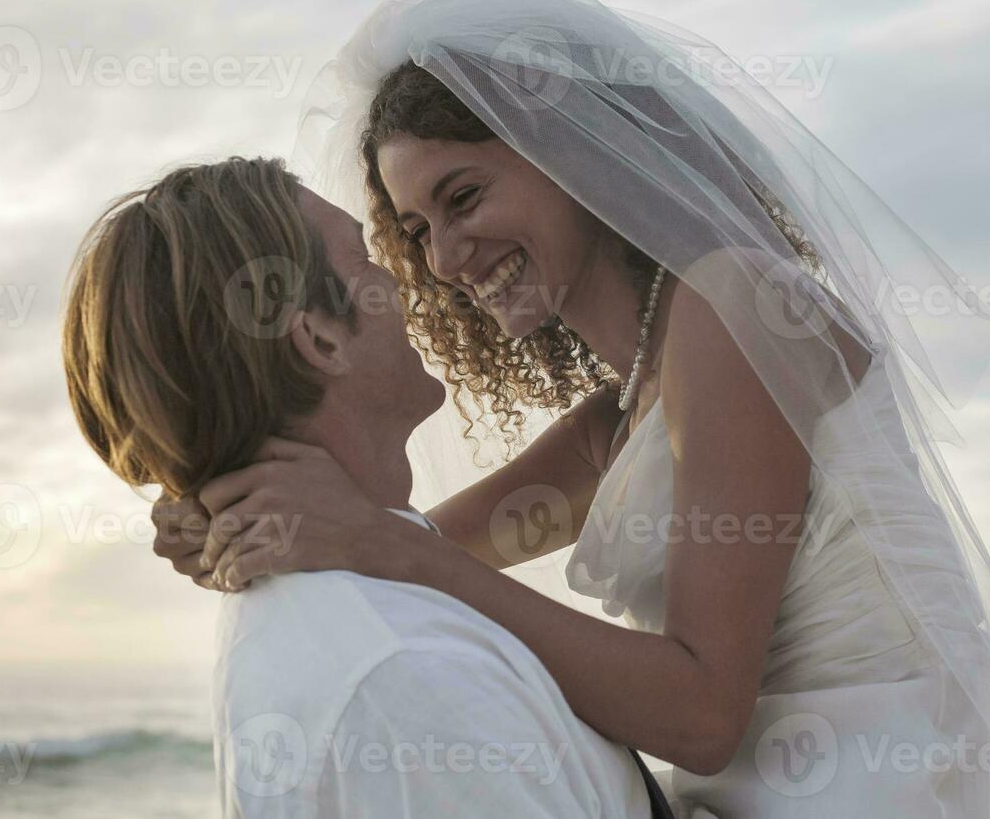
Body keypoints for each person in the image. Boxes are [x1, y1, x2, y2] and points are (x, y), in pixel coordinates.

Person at [157, 0, 990, 817]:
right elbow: (407, 538)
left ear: (569, 153)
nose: (441, 260)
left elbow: (700, 715)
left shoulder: (739, 307)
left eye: (465, 195)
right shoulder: (624, 414)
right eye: (413, 227)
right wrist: (225, 513)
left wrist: (377, 542)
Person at [61, 155, 669, 817]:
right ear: (321, 338)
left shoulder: (351, 602)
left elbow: (606, 442)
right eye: (364, 261)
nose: (415, 279)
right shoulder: (412, 677)